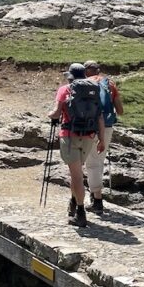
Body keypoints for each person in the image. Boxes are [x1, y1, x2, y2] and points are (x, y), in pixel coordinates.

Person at [49, 63, 105, 228]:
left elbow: (57, 113)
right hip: (89, 137)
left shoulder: (65, 90)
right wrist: (101, 139)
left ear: (70, 76)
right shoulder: (94, 90)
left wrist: (49, 114)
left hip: (70, 136)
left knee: (76, 175)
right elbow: (99, 117)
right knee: (78, 173)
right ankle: (73, 202)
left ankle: (80, 212)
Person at [84, 60, 123, 214]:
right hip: (106, 127)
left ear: (86, 71)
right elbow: (120, 110)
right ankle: (95, 195)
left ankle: (97, 200)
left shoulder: (83, 83)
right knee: (97, 162)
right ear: (98, 70)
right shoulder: (110, 84)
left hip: (88, 127)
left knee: (91, 164)